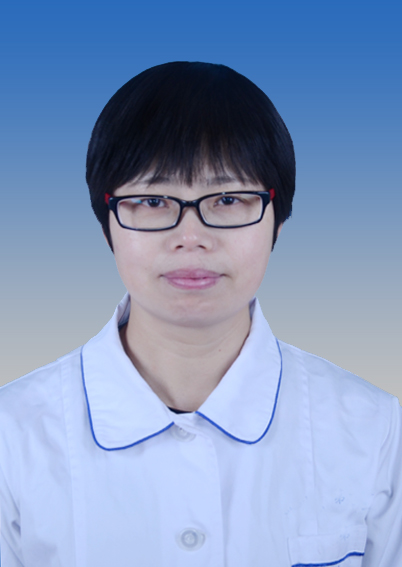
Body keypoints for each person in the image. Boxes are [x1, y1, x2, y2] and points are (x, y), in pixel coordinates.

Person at [0, 61, 401, 567]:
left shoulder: (375, 430)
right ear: (107, 226)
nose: (191, 237)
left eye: (228, 198)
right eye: (152, 200)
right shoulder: (12, 437)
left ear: (277, 221)